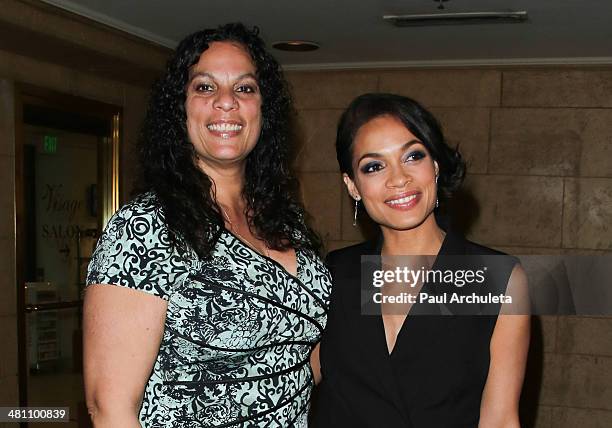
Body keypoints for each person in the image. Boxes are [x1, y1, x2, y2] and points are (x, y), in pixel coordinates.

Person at [83, 23, 331, 427]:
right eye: (204, 87)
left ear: (263, 108)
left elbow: (301, 361)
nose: (226, 103)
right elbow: (109, 406)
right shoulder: (144, 227)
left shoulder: (287, 220)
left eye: (245, 88)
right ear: (179, 107)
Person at [312, 93, 530, 427]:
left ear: (436, 165)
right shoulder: (333, 274)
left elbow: (500, 419)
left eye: (413, 156)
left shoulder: (497, 279)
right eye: (374, 166)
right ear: (353, 186)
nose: (398, 179)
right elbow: (293, 384)